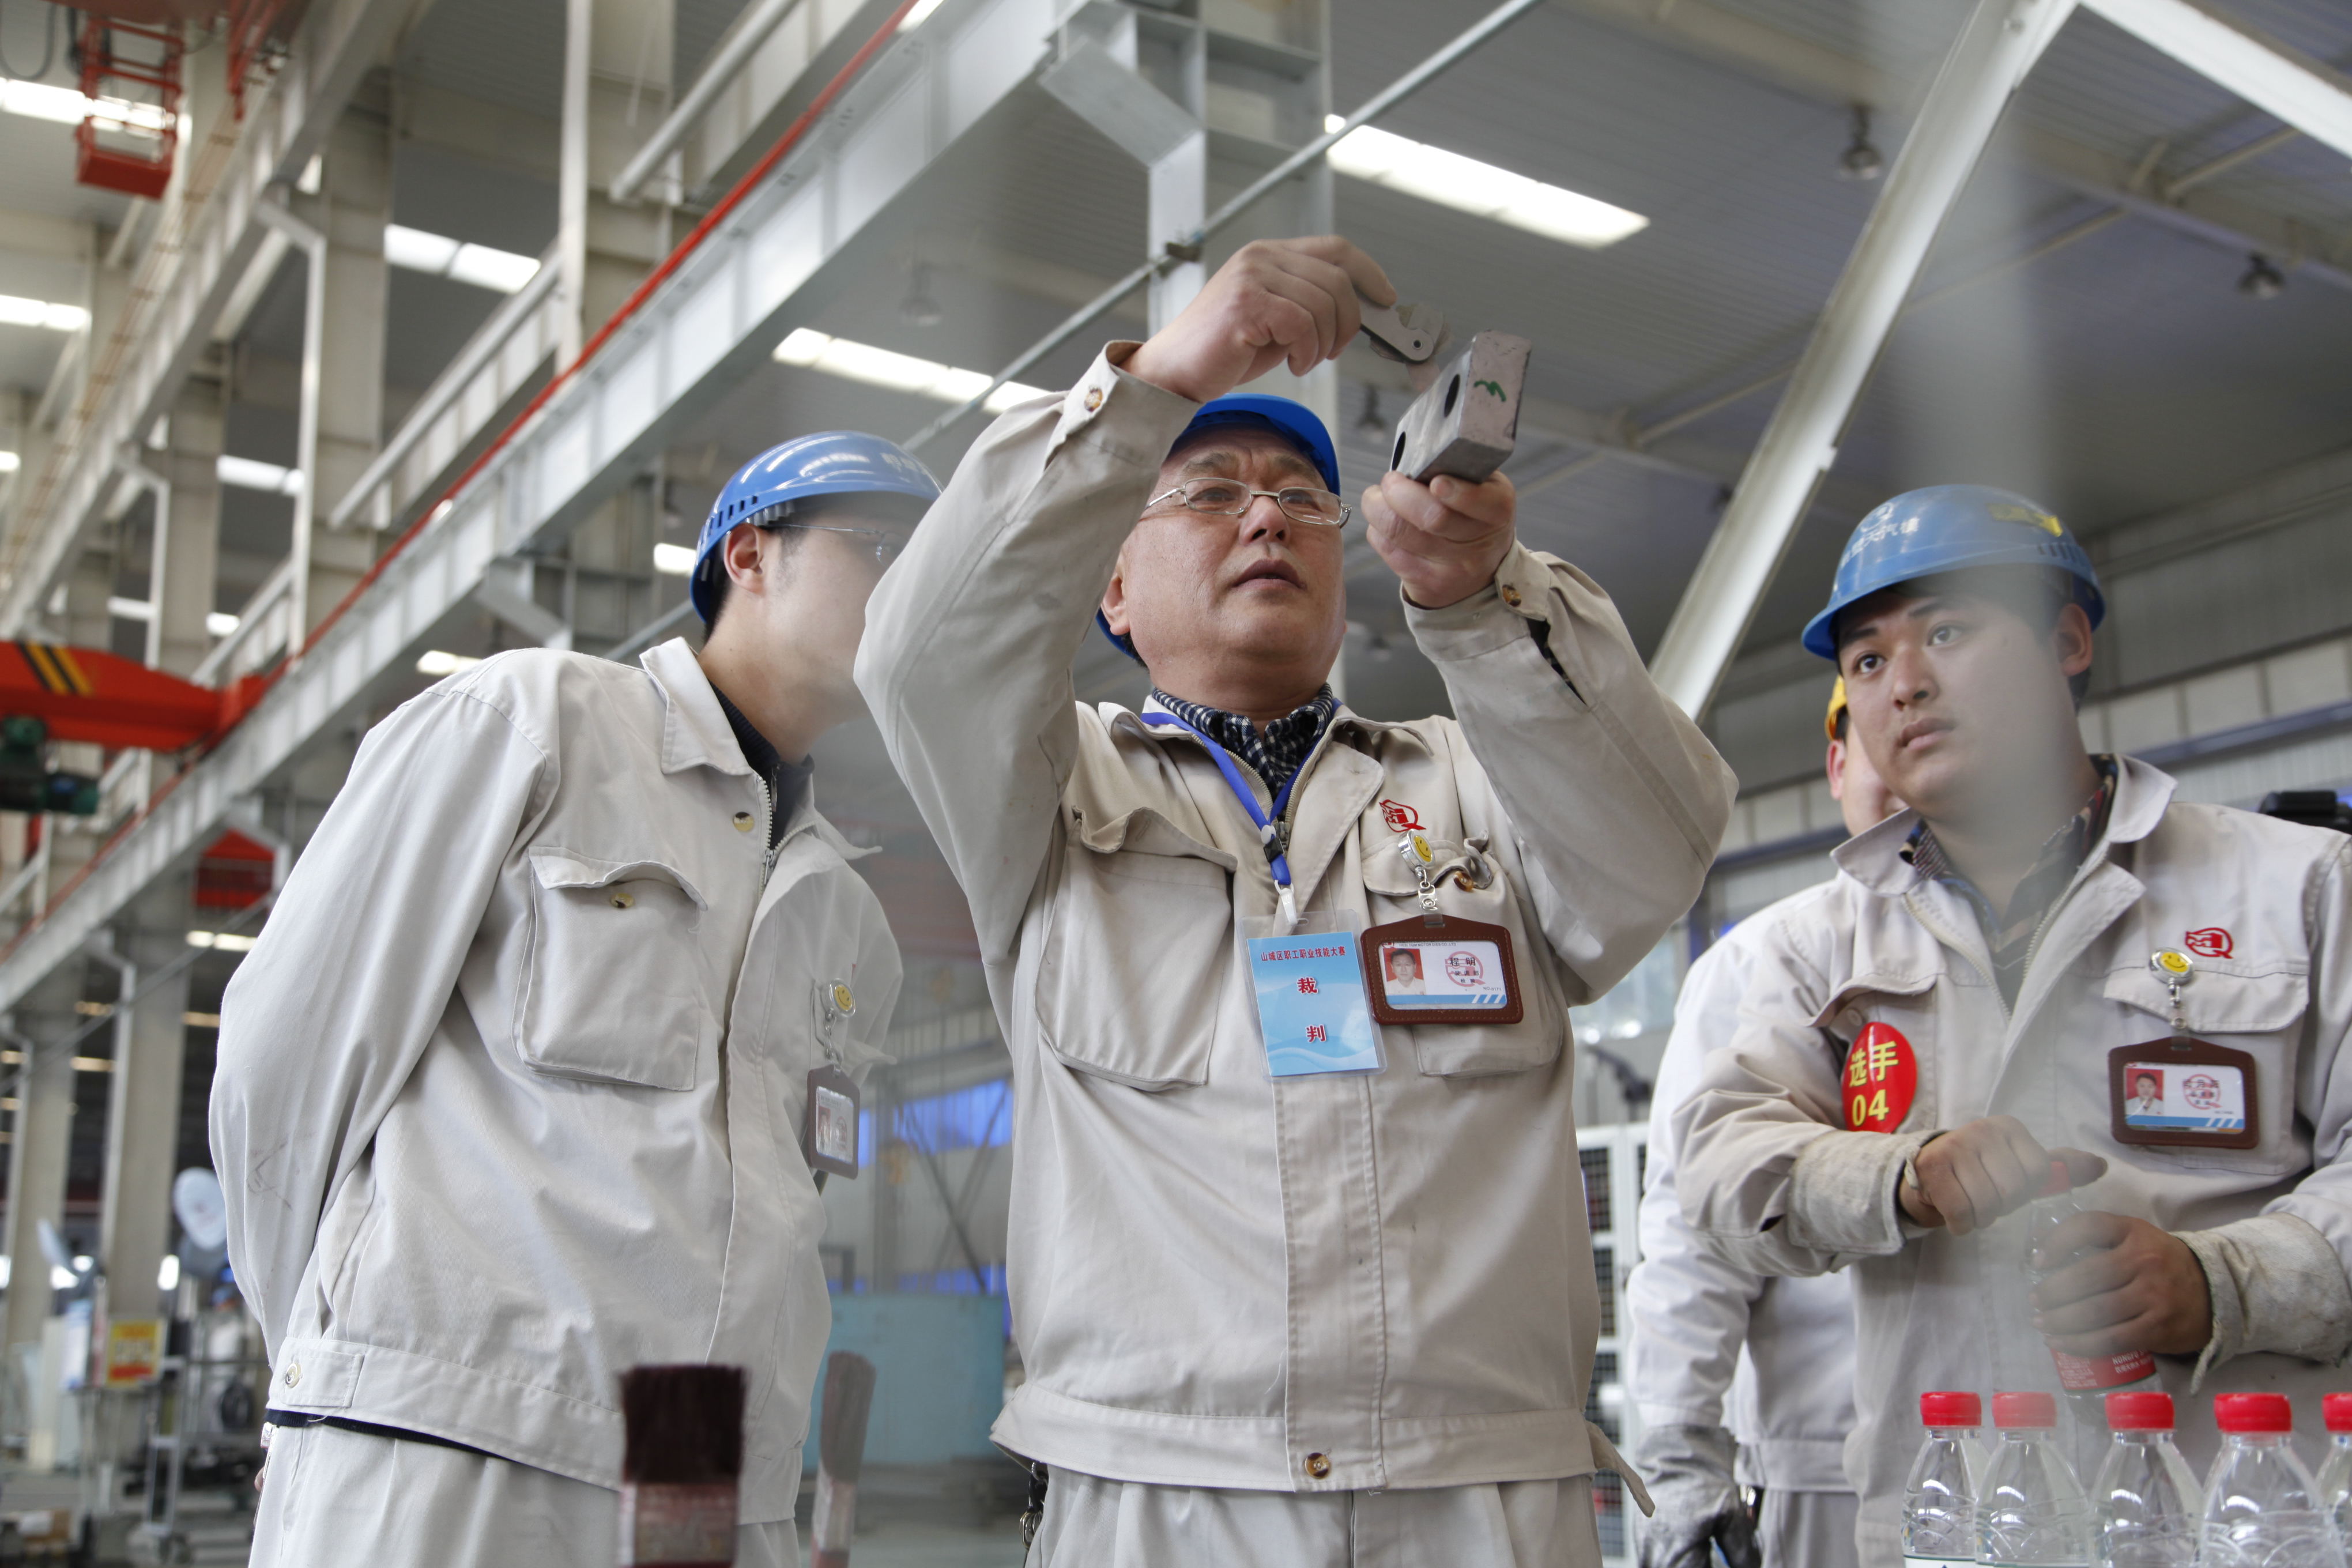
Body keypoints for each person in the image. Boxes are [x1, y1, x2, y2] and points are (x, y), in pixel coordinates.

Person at [857, 235, 1736, 1565]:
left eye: (1304, 501)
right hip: (1164, 1500)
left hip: (1479, 1502)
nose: (1267, 517)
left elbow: (1658, 849)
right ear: (1110, 586)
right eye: (1210, 491)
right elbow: (924, 654)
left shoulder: (1478, 780)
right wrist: (1158, 381)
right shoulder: (1046, 795)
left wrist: (1491, 604)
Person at [210, 434, 936, 1567]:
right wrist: (323, 1358)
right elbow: (288, 1060)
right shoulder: (533, 724)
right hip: (452, 1432)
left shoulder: (841, 912)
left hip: (701, 1465)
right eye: (882, 546)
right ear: (750, 554)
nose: (912, 586)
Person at [1672, 485, 2352, 1561]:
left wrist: (2221, 1281)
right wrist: (1899, 1176)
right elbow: (1717, 1171)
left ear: (2068, 640)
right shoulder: (1813, 950)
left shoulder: (2301, 890)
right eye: (1867, 660)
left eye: (1947, 631)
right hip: (1954, 1518)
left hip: (2241, 1517)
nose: (1907, 682)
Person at [1628, 677, 1901, 1568]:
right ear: (1837, 766)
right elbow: (1694, 1232)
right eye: (1872, 739)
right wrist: (1680, 1449)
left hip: (2053, 1441)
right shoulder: (1763, 963)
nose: (1900, 759)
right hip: (1826, 1463)